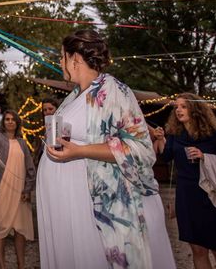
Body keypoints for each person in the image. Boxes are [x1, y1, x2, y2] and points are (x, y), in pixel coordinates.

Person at [37, 29, 174, 269]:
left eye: (62, 57)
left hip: (96, 204)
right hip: (69, 205)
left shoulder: (114, 91)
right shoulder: (75, 96)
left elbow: (141, 149)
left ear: (75, 59)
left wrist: (81, 151)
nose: (60, 63)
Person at [153, 94, 216, 269]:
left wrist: (204, 156)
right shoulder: (175, 134)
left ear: (195, 109)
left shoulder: (214, 135)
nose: (178, 110)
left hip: (211, 196)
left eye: (183, 106)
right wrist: (161, 140)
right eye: (176, 107)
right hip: (186, 196)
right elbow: (166, 156)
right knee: (198, 251)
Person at [0, 107, 36, 269]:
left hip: (20, 192)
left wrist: (27, 190)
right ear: (3, 122)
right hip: (2, 191)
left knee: (20, 230)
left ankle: (21, 265)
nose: (10, 122)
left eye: (13, 119)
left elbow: (30, 169)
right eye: (7, 119)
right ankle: (2, 265)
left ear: (17, 122)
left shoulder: (22, 143)